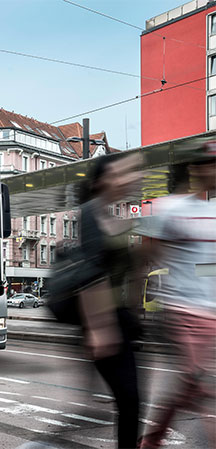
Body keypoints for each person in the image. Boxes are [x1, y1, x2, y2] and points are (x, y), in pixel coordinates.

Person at [136, 144, 216, 449]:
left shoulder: (214, 213)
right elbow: (148, 256)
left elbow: (208, 266)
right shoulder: (169, 208)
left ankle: (151, 440)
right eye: (210, 164)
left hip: (209, 313)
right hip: (181, 311)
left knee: (189, 388)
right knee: (201, 385)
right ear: (195, 170)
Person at [77, 153, 143, 449]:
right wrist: (98, 327)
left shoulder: (116, 216)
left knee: (129, 401)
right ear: (102, 181)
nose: (126, 178)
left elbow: (130, 273)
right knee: (129, 400)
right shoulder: (91, 212)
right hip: (101, 319)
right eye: (118, 174)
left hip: (120, 321)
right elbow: (92, 270)